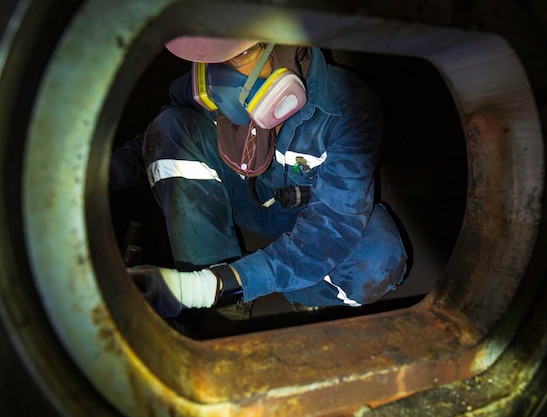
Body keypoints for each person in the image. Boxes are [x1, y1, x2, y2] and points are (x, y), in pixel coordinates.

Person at [114, 37, 408, 319]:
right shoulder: (203, 84)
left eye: (241, 54)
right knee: (170, 129)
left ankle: (283, 290)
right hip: (246, 196)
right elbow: (153, 141)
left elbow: (333, 228)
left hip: (310, 216)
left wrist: (214, 287)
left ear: (286, 46)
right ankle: (220, 284)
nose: (221, 74)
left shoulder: (350, 107)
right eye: (212, 57)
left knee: (378, 260)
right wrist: (103, 175)